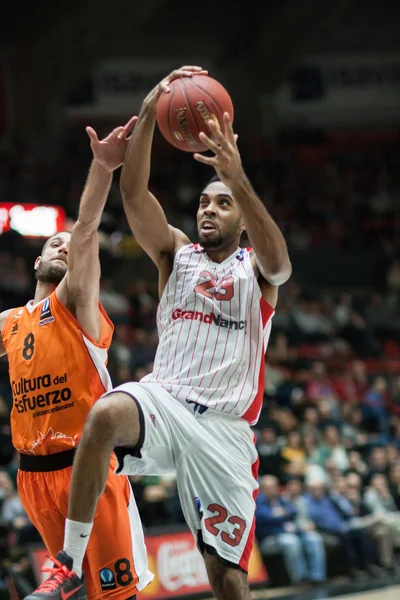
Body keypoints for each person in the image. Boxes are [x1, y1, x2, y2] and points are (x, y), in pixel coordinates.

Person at [28, 65, 292, 600]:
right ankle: (70, 562)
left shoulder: (255, 271)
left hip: (225, 430)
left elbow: (281, 264)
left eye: (223, 202)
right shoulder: (176, 254)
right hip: (166, 402)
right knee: (103, 414)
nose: (209, 209)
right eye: (204, 201)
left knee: (229, 582)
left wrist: (235, 174)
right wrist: (150, 111)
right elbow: (133, 193)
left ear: (242, 218)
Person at [1, 119, 153, 600]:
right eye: (53, 243)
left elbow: (84, 230)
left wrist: (102, 169)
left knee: (114, 596)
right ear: (35, 261)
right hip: (32, 477)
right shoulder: (9, 319)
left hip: (86, 470)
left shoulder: (78, 303)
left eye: (70, 247)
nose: (64, 246)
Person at [256, 476, 326, 585]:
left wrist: (280, 515)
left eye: (274, 486)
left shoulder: (281, 499)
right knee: (291, 542)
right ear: (262, 488)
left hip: (291, 532)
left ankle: (317, 576)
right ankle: (300, 579)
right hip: (270, 538)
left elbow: (293, 511)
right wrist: (282, 516)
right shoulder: (258, 502)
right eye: (268, 487)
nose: (272, 489)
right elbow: (265, 518)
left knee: (313, 538)